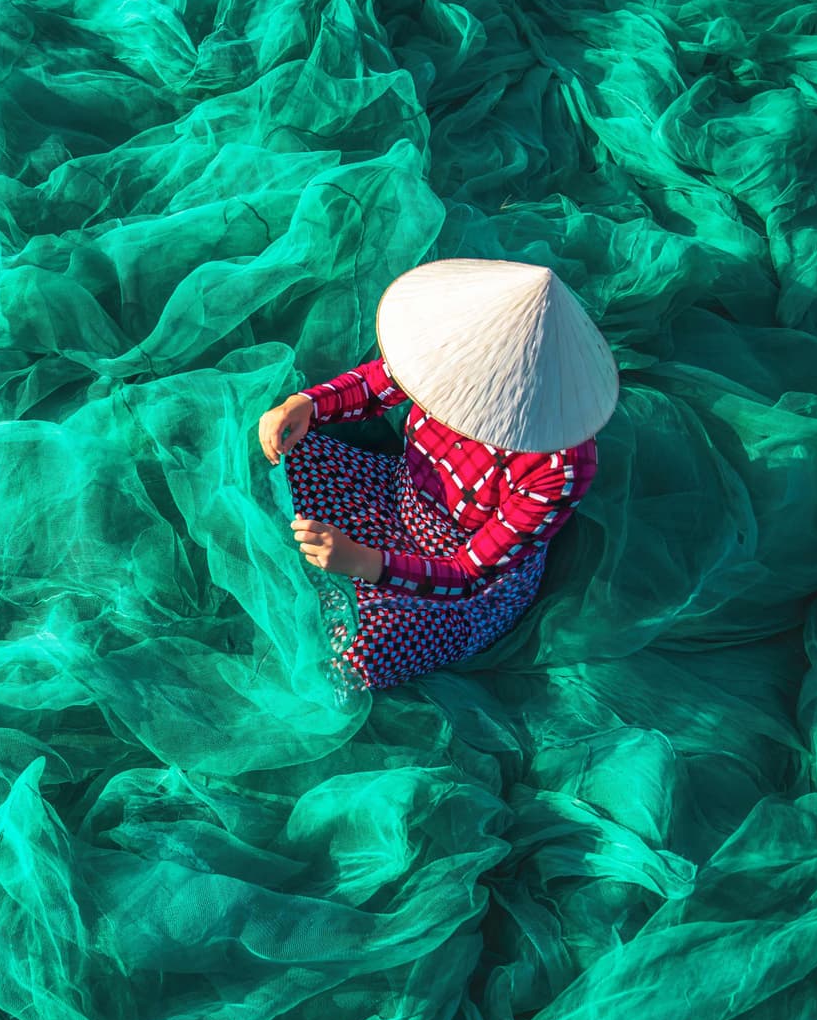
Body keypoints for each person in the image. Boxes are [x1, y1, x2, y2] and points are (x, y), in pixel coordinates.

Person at [255, 258, 618, 693]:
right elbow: (376, 386)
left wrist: (362, 561)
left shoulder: (559, 468)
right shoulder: (449, 357)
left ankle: (344, 588)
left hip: (461, 589)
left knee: (351, 659)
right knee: (269, 450)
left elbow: (467, 573)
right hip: (392, 492)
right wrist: (307, 405)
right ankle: (327, 575)